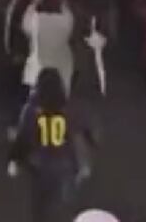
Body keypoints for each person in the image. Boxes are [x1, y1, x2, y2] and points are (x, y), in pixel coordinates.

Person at [8, 68, 93, 222]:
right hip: (65, 162)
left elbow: (23, 137)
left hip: (40, 164)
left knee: (40, 202)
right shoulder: (69, 109)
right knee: (64, 201)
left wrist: (15, 160)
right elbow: (81, 131)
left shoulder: (32, 110)